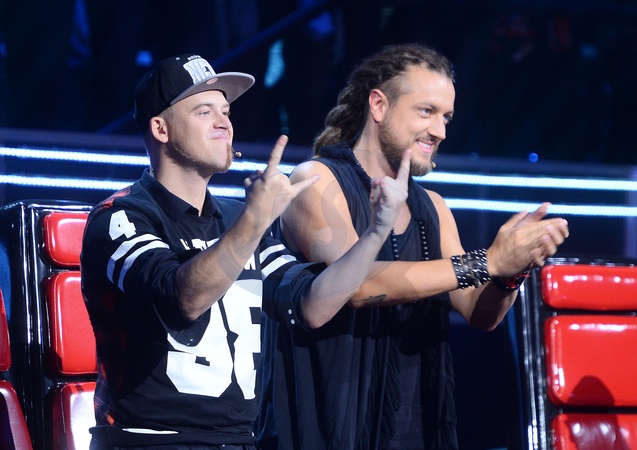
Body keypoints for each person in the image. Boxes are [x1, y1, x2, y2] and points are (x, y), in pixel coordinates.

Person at [80, 53, 410, 449]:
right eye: (204, 112)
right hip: (150, 441)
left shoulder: (238, 219)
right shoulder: (120, 217)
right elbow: (183, 299)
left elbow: (312, 306)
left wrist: (375, 232)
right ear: (161, 128)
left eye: (226, 112)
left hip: (239, 441)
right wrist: (255, 220)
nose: (224, 122)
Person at [256, 43, 570, 449]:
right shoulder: (316, 180)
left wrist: (511, 271)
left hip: (417, 430)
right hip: (335, 428)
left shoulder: (433, 207)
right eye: (426, 111)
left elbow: (479, 313)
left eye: (446, 117)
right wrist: (487, 261)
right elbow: (357, 287)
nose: (440, 131)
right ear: (379, 105)